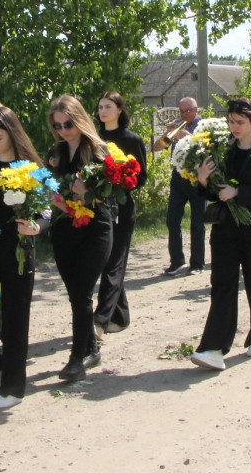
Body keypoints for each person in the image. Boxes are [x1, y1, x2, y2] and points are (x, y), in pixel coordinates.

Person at [189, 98, 251, 371]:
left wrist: (239, 192)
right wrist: (203, 180)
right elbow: (213, 192)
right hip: (226, 226)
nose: (235, 127)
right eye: (231, 121)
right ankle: (214, 347)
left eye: (240, 122)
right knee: (222, 284)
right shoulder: (222, 150)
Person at [0, 104, 44, 410]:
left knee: (15, 318)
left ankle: (14, 385)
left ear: (12, 132)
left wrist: (38, 225)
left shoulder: (30, 166)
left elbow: (48, 203)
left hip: (19, 250)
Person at [46, 95, 114, 381]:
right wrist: (56, 200)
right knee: (75, 293)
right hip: (65, 228)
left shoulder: (99, 150)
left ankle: (77, 358)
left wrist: (88, 193)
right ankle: (92, 348)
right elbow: (52, 192)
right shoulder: (56, 152)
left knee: (82, 292)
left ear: (80, 120)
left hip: (95, 228)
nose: (63, 130)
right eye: (58, 125)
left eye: (68, 123)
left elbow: (110, 194)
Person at [93, 91, 148, 335]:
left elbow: (141, 177)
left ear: (119, 110)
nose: (102, 111)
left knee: (114, 263)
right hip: (97, 207)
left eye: (108, 106)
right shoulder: (93, 138)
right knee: (107, 262)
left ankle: (99, 321)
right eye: (100, 107)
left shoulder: (132, 139)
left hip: (122, 209)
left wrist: (120, 182)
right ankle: (121, 316)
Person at [154, 96, 205, 275]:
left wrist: (187, 136)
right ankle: (177, 262)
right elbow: (157, 147)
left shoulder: (203, 126)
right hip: (178, 178)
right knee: (172, 220)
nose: (184, 114)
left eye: (187, 111)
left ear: (196, 110)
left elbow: (205, 148)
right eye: (181, 111)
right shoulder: (177, 125)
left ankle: (197, 264)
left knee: (197, 223)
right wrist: (167, 134)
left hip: (197, 178)